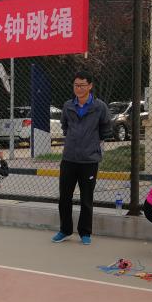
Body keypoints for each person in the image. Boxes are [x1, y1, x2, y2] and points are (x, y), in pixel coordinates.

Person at [52, 70, 113, 245]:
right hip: (69, 159)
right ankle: (65, 230)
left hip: (89, 160)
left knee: (86, 198)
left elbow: (106, 129)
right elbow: (64, 126)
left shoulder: (100, 107)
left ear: (90, 86)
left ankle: (85, 232)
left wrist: (92, 144)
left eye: (82, 85)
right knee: (65, 197)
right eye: (76, 85)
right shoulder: (67, 106)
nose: (78, 88)